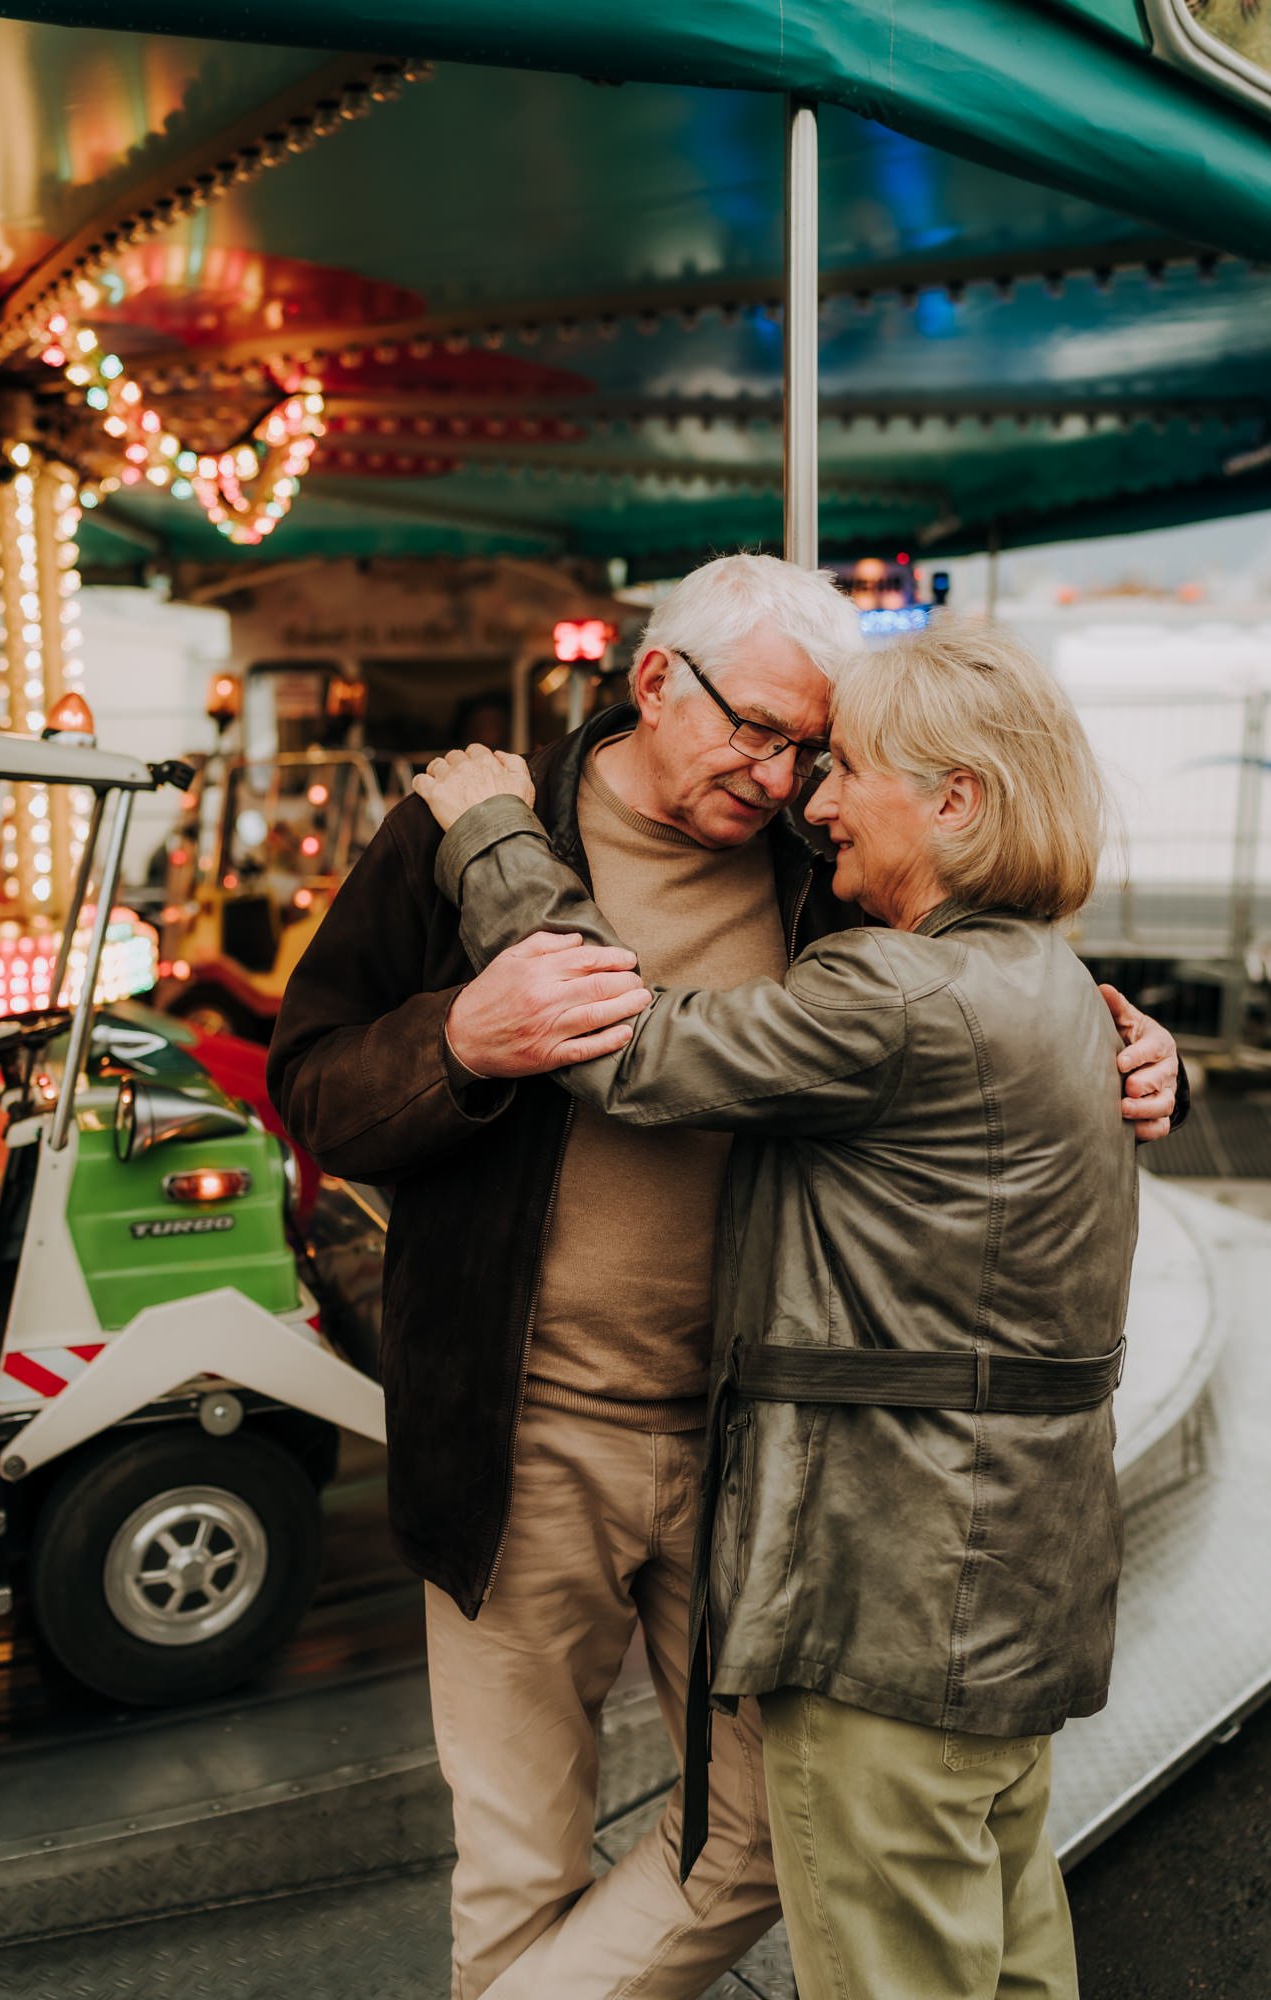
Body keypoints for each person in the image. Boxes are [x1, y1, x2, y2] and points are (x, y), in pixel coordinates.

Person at [268, 557, 1180, 2000]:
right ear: (651, 681)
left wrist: (1120, 1039)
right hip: (518, 1439)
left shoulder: (822, 868)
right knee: (519, 1863)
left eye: (815, 753)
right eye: (753, 730)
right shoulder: (442, 834)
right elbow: (312, 1085)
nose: (783, 782)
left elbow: (961, 985)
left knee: (774, 1827)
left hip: (770, 1459)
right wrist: (456, 1046)